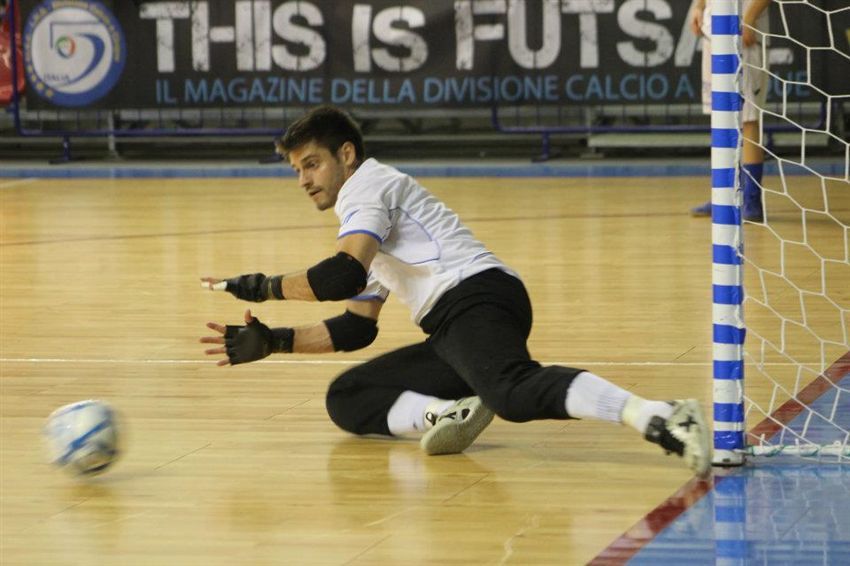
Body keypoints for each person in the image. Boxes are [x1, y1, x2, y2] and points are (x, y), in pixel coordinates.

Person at [200, 105, 712, 477]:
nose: (303, 180)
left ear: (346, 154)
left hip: (473, 297)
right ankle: (447, 415)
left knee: (512, 391)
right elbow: (356, 326)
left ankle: (659, 415)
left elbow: (341, 276)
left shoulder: (366, 189)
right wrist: (275, 341)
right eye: (296, 170)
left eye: (311, 164)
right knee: (348, 397)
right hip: (454, 322)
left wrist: (264, 288)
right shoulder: (365, 213)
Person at [690, 0, 771, 222]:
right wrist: (699, 7)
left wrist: (750, 18)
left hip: (746, 36)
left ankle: (751, 201)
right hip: (714, 33)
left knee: (747, 119)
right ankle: (725, 195)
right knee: (721, 118)